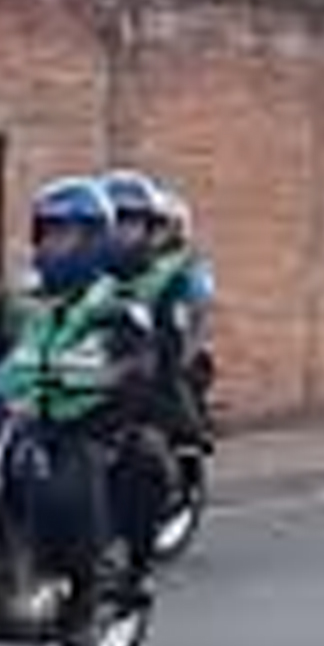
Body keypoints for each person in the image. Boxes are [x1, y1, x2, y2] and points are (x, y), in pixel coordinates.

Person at [0, 176, 168, 609]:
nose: (53, 245)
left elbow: (138, 360)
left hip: (83, 424)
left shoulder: (117, 305)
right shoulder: (21, 301)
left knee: (65, 493)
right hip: (18, 417)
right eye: (47, 233)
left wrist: (116, 374)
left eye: (66, 234)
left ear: (95, 239)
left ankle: (84, 589)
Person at [100, 170, 215, 452]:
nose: (121, 231)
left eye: (131, 222)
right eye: (116, 221)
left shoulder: (175, 272)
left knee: (168, 373)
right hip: (81, 360)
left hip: (139, 360)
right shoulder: (83, 266)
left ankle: (186, 435)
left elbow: (188, 319)